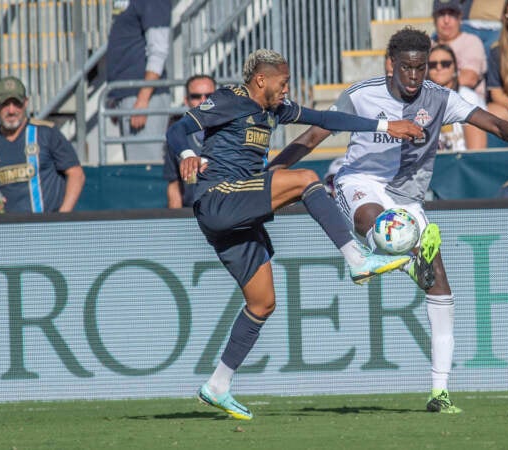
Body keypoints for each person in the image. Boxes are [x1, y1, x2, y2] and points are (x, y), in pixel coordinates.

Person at [268, 28, 508, 414]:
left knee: (441, 290)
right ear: (391, 64)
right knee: (373, 222)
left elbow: (494, 124)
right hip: (358, 182)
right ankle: (402, 253)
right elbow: (311, 138)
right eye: (407, 68)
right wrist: (271, 173)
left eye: (421, 67)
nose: (414, 76)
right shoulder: (361, 95)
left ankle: (439, 392)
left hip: (407, 199)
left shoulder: (440, 98)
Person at [166, 49, 425, 420]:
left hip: (238, 210)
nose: (287, 89)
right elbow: (178, 129)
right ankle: (356, 259)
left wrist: (387, 127)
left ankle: (218, 386)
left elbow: (325, 118)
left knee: (262, 303)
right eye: (283, 82)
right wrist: (187, 153)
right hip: (218, 198)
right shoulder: (229, 99)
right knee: (306, 179)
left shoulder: (275, 109)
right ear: (261, 80)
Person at [0, 76, 85, 214]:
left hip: (46, 228)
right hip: (7, 230)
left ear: (26, 103)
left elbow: (76, 174)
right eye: (5, 104)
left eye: (16, 103)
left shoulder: (46, 133)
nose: (11, 111)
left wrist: (62, 217)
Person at [106, 0, 172, 162]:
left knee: (144, 168)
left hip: (142, 95)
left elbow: (159, 50)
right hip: (129, 94)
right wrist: (115, 97)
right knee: (135, 164)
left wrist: (143, 99)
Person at [164, 74, 216, 208]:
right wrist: (176, 224)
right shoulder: (177, 136)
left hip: (227, 212)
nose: (203, 101)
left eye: (209, 96)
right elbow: (174, 185)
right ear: (186, 100)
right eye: (196, 96)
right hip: (191, 214)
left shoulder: (232, 130)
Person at [427, 44, 488, 150]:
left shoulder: (468, 98)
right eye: (432, 64)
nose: (438, 67)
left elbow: (476, 150)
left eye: (445, 64)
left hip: (463, 163)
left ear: (455, 68)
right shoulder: (422, 100)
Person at [430, 0, 488, 98]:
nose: (446, 20)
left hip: (468, 103)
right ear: (434, 19)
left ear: (460, 17)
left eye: (452, 14)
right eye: (441, 14)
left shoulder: (471, 41)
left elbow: (469, 79)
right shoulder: (428, 45)